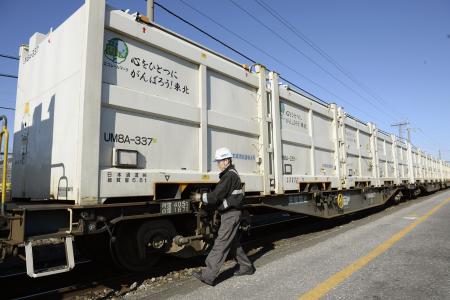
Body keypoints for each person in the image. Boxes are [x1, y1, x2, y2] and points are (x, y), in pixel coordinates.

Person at [191, 147, 255, 286]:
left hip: (231, 214)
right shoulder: (231, 174)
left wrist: (200, 197)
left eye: (219, 161)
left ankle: (208, 275)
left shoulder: (229, 176)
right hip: (231, 213)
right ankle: (246, 266)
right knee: (232, 242)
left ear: (226, 160)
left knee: (221, 242)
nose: (218, 164)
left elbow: (215, 196)